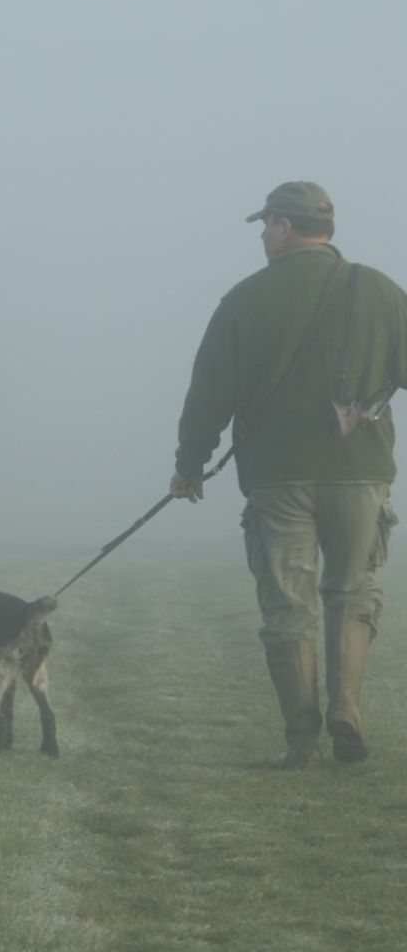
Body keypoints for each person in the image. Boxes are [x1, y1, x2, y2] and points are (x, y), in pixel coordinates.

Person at [170, 181, 407, 768]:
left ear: (283, 226)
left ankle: (301, 737)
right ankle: (346, 707)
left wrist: (189, 466)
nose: (262, 237)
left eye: (265, 226)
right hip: (360, 473)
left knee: (286, 605)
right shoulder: (382, 290)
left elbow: (209, 393)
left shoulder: (245, 298)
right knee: (351, 593)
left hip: (277, 478)